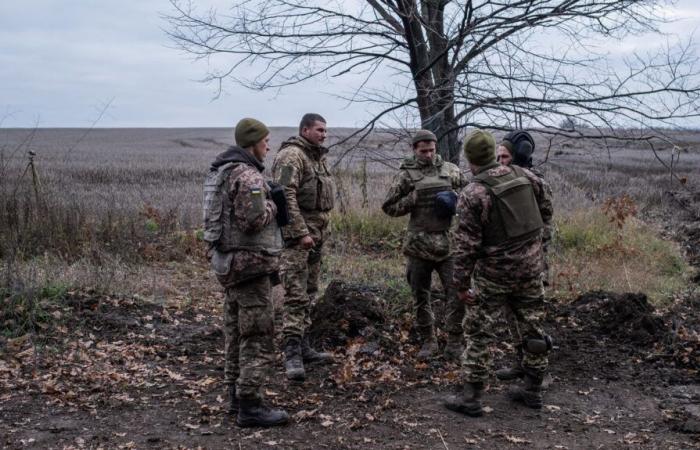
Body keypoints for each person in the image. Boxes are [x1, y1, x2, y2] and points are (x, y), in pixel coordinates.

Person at [444, 129, 553, 417]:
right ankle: (532, 390)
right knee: (534, 330)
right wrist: (534, 249)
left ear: (469, 159)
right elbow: (545, 212)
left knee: (479, 333)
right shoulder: (526, 176)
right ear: (494, 152)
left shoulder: (472, 193)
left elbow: (466, 246)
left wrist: (460, 284)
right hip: (530, 270)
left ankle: (471, 398)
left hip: (493, 276)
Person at [203, 118, 289, 427]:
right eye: (265, 140)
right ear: (253, 142)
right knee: (257, 335)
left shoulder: (222, 172)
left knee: (235, 332)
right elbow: (253, 221)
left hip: (229, 266)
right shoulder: (248, 176)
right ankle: (251, 405)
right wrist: (274, 206)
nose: (268, 145)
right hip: (250, 267)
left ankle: (235, 397)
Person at [382, 130, 468, 360]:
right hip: (419, 245)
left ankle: (455, 340)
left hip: (447, 245)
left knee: (457, 293)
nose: (428, 155)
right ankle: (428, 340)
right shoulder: (406, 176)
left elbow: (470, 195)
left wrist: (455, 200)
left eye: (432, 150)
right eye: (423, 151)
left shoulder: (450, 170)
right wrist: (413, 200)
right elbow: (388, 207)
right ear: (414, 150)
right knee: (420, 295)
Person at [272, 113, 335, 381]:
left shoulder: (316, 158)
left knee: (309, 291)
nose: (324, 134)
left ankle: (305, 345)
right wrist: (299, 233)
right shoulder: (292, 156)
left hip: (317, 234)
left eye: (325, 131)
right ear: (305, 129)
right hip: (299, 238)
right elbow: (284, 195)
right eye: (319, 130)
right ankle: (292, 354)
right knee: (295, 294)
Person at [495, 130, 554, 382]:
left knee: (530, 319)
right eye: (497, 157)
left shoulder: (532, 181)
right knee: (512, 316)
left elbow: (545, 224)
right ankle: (521, 363)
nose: (500, 162)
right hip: (512, 261)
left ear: (518, 155)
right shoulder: (510, 179)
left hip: (529, 261)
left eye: (505, 157)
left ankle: (537, 376)